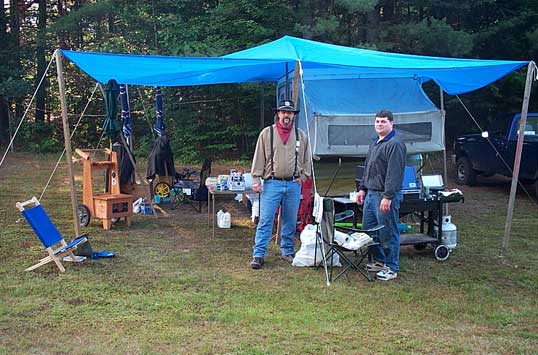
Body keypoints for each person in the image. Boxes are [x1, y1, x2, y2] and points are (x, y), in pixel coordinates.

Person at [249, 99, 312, 269]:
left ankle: (287, 251)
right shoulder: (267, 134)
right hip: (272, 184)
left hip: (293, 184)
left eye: (289, 112)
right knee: (266, 220)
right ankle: (258, 254)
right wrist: (256, 179)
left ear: (293, 115)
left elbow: (307, 160)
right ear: (278, 114)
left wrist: (304, 177)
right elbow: (258, 157)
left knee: (290, 220)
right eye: (283, 112)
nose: (286, 115)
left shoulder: (301, 135)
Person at [357, 109, 406, 281]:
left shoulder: (395, 144)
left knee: (388, 232)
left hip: (384, 196)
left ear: (391, 123)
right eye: (377, 121)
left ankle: (391, 267)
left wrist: (388, 196)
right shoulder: (375, 142)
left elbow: (395, 173)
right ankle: (379, 260)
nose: (379, 124)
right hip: (371, 193)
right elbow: (368, 167)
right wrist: (362, 188)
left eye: (383, 121)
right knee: (369, 229)